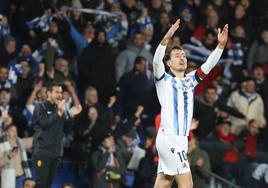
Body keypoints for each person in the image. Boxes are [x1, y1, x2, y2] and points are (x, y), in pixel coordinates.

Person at [153, 19, 228, 188]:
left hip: (181, 139)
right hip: (170, 137)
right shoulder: (163, 79)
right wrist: (166, 39)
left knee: (164, 182)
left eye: (184, 55)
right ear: (169, 63)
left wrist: (220, 46)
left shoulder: (190, 81)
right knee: (187, 183)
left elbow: (208, 65)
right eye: (177, 56)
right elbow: (156, 61)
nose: (182, 57)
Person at [32, 82, 82, 188]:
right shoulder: (39, 107)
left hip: (55, 153)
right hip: (42, 152)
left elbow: (64, 126)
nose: (60, 95)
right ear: (48, 93)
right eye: (56, 92)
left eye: (61, 92)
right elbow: (45, 124)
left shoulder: (60, 110)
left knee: (48, 185)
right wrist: (59, 113)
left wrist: (70, 114)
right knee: (41, 184)